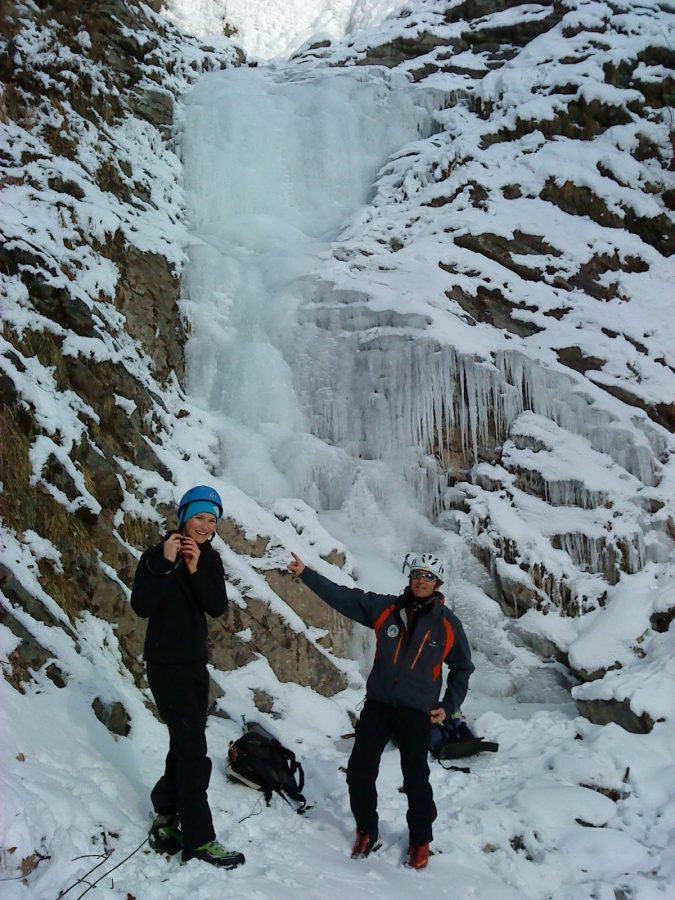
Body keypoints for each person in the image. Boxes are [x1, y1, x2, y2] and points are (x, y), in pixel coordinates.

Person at [288, 551, 474, 870]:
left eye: (428, 576)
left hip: (417, 712)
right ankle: (366, 829)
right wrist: (306, 573)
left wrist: (448, 705)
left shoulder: (447, 625)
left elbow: (462, 667)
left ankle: (420, 841)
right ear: (409, 577)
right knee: (360, 771)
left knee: (416, 779)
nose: (421, 580)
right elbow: (346, 598)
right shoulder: (386, 609)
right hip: (378, 707)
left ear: (438, 583)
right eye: (417, 574)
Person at [131, 485, 245, 869]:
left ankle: (165, 813)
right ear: (183, 516)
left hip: (195, 664)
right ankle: (199, 839)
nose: (206, 526)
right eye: (200, 517)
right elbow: (142, 606)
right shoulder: (154, 557)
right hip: (165, 664)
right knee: (194, 751)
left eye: (212, 521)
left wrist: (196, 569)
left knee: (185, 743)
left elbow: (216, 607)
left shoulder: (208, 560)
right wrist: (166, 565)